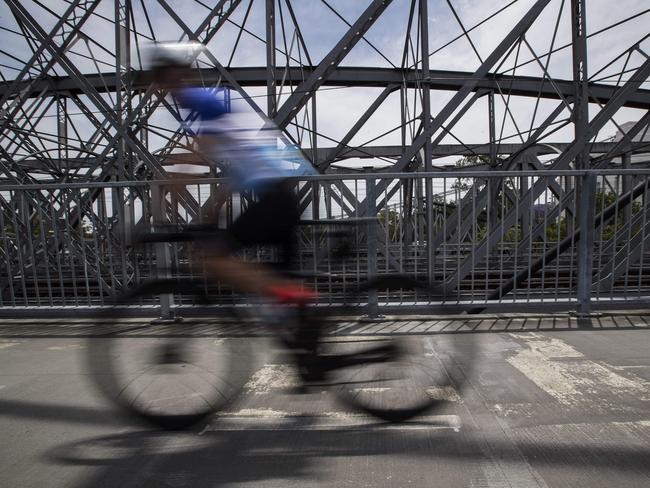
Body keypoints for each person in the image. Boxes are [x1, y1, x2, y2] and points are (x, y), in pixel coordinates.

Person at [150, 41, 317, 303]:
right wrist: (214, 206)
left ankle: (294, 296)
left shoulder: (202, 102)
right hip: (280, 197)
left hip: (274, 202)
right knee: (281, 282)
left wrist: (166, 195)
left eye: (164, 83)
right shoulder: (208, 104)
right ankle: (294, 308)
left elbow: (194, 156)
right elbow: (236, 163)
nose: (163, 91)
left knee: (214, 259)